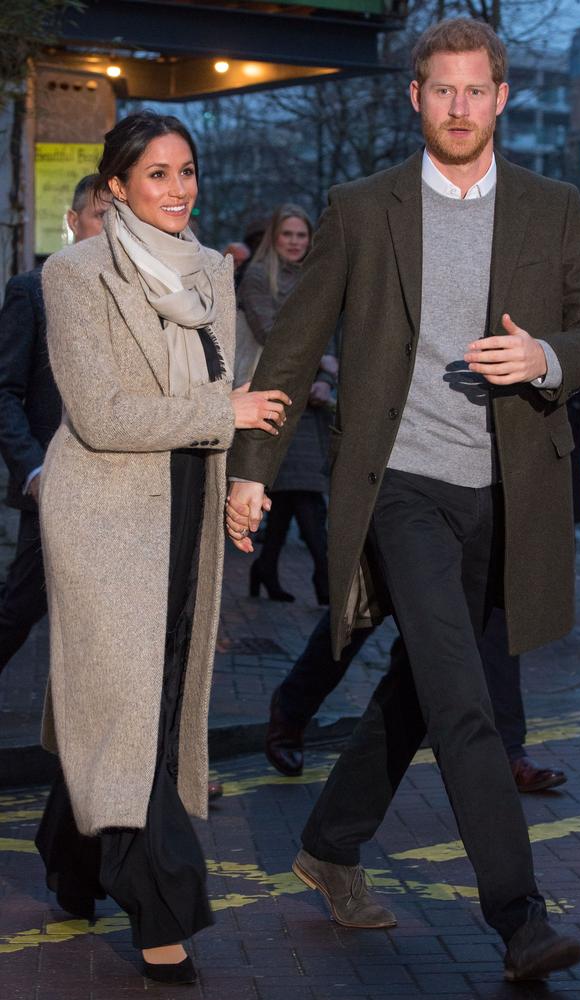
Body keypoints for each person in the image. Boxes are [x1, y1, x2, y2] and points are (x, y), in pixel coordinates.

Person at [226, 19, 580, 982]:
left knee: (418, 688)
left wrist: (547, 358)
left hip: (507, 493)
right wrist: (249, 466)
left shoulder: (554, 204)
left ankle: (329, 844)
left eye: (475, 91)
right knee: (465, 700)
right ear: (417, 98)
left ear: (500, 99)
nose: (458, 107)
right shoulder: (362, 208)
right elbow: (290, 345)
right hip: (400, 487)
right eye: (440, 90)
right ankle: (519, 918)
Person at [34, 110, 289, 984]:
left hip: (186, 498)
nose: (178, 190)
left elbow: (240, 388)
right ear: (116, 186)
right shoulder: (74, 275)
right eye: (157, 175)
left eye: (186, 172)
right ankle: (163, 909)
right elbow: (101, 416)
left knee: (156, 690)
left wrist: (239, 480)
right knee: (130, 698)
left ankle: (70, 854)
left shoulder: (216, 272)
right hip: (103, 511)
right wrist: (224, 416)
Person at [266, 606, 567, 793]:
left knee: (492, 611)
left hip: (471, 510)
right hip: (391, 507)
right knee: (357, 609)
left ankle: (510, 751)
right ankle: (292, 706)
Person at [0, 175, 110, 676]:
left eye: (120, 219)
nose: (111, 230)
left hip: (120, 490)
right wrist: (34, 470)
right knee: (20, 608)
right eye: (100, 217)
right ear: (73, 222)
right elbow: (5, 392)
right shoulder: (31, 292)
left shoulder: (143, 298)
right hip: (57, 484)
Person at [237, 205, 336, 604]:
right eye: (287, 234)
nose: (295, 242)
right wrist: (321, 368)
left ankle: (266, 569)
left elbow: (328, 339)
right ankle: (326, 578)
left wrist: (326, 382)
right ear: (273, 237)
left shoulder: (316, 279)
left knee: (296, 493)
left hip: (308, 405)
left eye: (302, 235)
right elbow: (273, 334)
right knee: (305, 493)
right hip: (269, 398)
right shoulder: (259, 277)